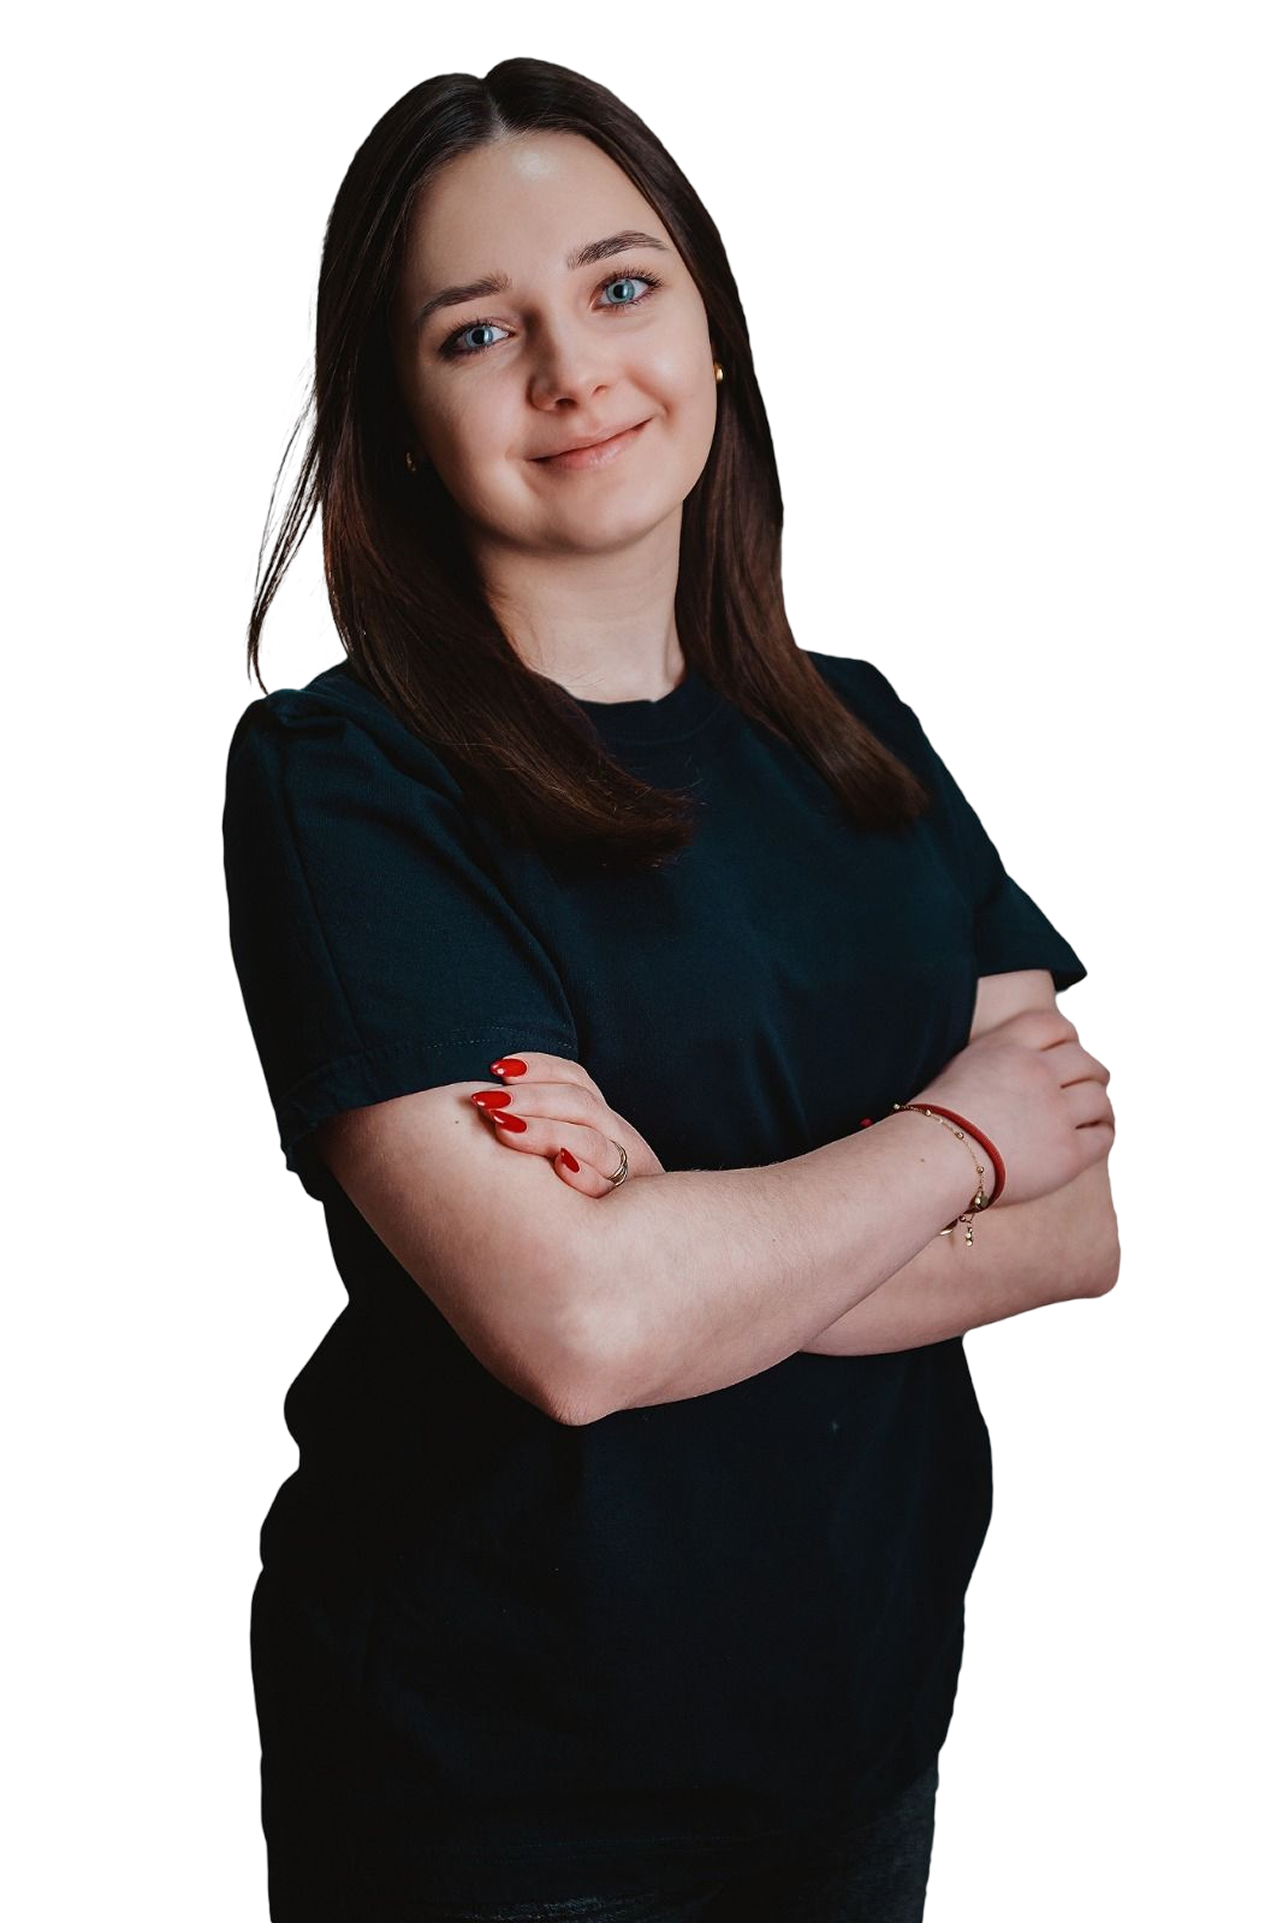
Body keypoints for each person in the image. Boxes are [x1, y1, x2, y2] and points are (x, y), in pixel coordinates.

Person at [223, 59, 1121, 1923]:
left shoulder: (866, 732)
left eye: (621, 287)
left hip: (865, 1749)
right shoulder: (345, 777)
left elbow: (1080, 1227)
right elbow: (579, 1331)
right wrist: (955, 1142)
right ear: (402, 419)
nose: (574, 370)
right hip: (506, 1802)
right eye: (479, 331)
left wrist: (669, 1215)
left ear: (711, 333)